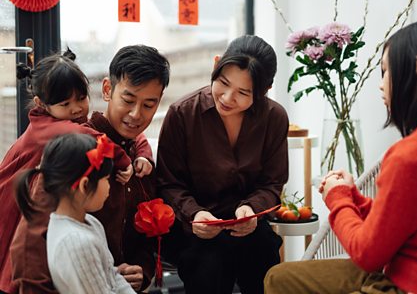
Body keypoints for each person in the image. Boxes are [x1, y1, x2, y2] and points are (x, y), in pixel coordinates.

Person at [264, 19, 417, 294]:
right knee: (279, 278)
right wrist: (352, 195)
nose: (381, 85)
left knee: (278, 280)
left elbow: (367, 254)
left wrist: (337, 197)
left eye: (385, 71)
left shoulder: (414, 154)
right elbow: (395, 224)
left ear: (415, 67)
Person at [9, 45, 170, 293]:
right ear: (107, 90)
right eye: (128, 100)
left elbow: (146, 240)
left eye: (149, 105)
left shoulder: (141, 161)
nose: (136, 114)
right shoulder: (74, 150)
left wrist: (142, 270)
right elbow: (29, 244)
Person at [157, 35, 288, 294]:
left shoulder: (274, 118)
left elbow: (272, 183)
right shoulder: (182, 113)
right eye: (223, 83)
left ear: (264, 91)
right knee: (209, 267)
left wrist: (252, 209)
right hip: (195, 229)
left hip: (248, 227)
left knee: (265, 261)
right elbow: (168, 183)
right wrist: (194, 213)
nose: (228, 98)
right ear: (216, 65)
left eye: (243, 92)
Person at [15, 133, 136, 294]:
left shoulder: (90, 222)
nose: (109, 187)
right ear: (84, 186)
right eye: (106, 179)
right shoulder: (75, 242)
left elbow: (112, 276)